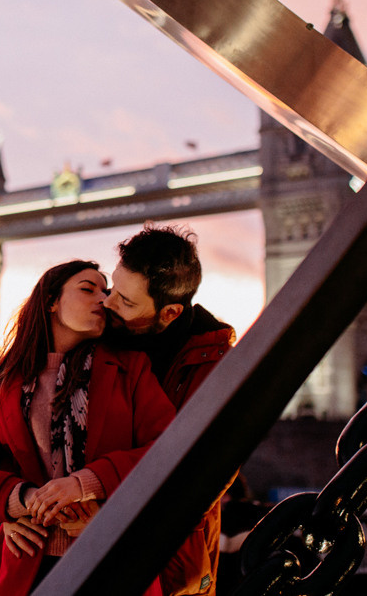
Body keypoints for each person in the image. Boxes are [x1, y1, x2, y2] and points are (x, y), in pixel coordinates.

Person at [0, 260, 175, 595]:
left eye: (107, 291)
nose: (104, 299)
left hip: (111, 557)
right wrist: (19, 501)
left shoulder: (131, 369)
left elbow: (169, 450)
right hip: (27, 561)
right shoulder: (2, 380)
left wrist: (86, 485)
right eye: (88, 289)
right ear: (51, 301)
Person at [104, 224, 237, 595]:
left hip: (169, 559)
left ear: (171, 312)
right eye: (114, 288)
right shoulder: (99, 339)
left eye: (127, 301)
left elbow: (207, 474)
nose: (109, 303)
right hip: (86, 544)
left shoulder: (216, 367)